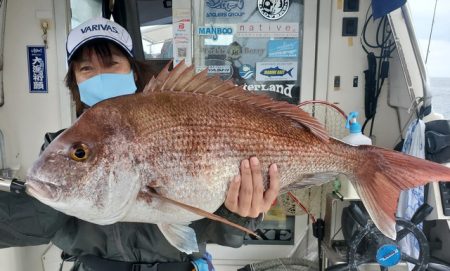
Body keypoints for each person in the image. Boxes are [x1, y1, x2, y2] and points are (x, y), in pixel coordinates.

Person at [0, 17, 280, 271]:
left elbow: (223, 234)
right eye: (86, 68)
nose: (100, 76)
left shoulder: (172, 118)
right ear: (74, 80)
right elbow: (35, 224)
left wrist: (242, 215)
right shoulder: (58, 145)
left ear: (133, 72)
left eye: (112, 64)